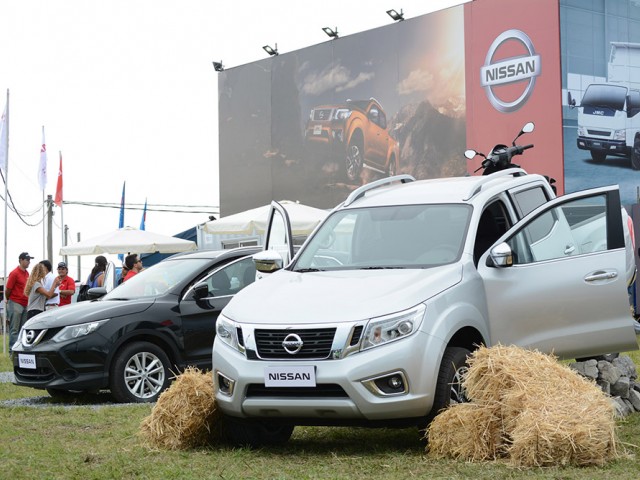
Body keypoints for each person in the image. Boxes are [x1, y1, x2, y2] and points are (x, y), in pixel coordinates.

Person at [5, 252, 33, 349]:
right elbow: (8, 289)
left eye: (29, 260)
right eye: (27, 260)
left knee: (22, 329)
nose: (29, 262)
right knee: (14, 329)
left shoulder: (27, 273)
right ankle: (12, 351)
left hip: (25, 303)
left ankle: (19, 349)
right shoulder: (14, 273)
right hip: (16, 303)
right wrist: (9, 300)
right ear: (21, 260)